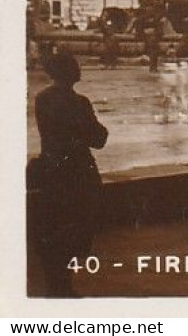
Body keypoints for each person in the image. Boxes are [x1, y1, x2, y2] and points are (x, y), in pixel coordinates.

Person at [27, 52, 108, 298]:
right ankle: (64, 287)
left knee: (56, 228)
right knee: (77, 227)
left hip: (52, 169)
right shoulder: (79, 102)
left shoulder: (42, 99)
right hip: (78, 171)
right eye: (75, 66)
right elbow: (98, 138)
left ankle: (57, 286)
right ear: (71, 72)